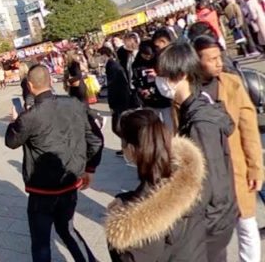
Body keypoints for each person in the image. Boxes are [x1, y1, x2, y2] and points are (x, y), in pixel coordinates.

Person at [5, 64, 102, 262]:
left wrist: (14, 121)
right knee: (67, 229)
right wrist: (89, 168)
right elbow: (95, 139)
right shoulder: (74, 104)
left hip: (42, 190)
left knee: (41, 242)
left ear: (30, 86)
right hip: (70, 181)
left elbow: (11, 141)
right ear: (51, 81)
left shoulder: (29, 117)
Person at [155, 42, 237, 262]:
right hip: (214, 220)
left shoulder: (200, 122)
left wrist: (197, 229)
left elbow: (213, 184)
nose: (159, 82)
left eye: (163, 76)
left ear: (180, 75)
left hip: (211, 224)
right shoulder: (193, 108)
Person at [193, 36, 263, 261]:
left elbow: (249, 130)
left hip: (237, 166)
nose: (218, 62)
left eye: (219, 57)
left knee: (247, 224)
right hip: (208, 172)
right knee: (212, 233)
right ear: (196, 60)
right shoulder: (187, 91)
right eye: (211, 59)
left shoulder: (232, 84)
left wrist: (255, 167)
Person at [104, 109, 207, 262]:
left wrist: (123, 213)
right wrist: (126, 198)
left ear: (131, 149)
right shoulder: (189, 179)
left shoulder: (135, 223)